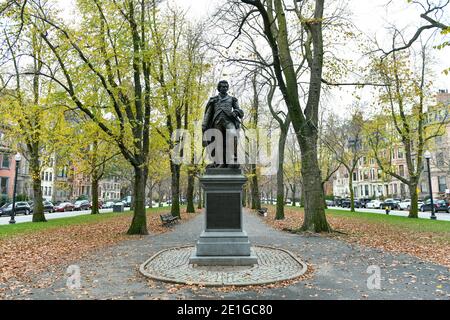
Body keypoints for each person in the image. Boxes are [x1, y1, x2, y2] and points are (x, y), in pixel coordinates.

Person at [202, 80, 244, 168]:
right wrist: (204, 124)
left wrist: (236, 112)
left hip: (228, 121)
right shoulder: (213, 100)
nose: (225, 88)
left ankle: (232, 159)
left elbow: (239, 110)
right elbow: (208, 113)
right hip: (217, 122)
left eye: (226, 87)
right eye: (223, 87)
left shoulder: (232, 99)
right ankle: (220, 162)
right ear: (219, 88)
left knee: (233, 135)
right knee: (218, 141)